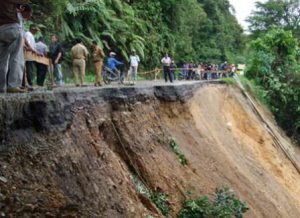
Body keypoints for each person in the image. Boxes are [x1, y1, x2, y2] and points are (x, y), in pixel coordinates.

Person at [0, 0, 30, 93]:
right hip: (11, 27)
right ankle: (13, 85)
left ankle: (1, 88)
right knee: (17, 57)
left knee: (2, 60)